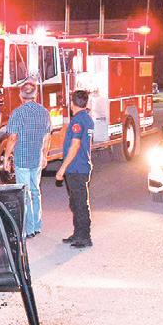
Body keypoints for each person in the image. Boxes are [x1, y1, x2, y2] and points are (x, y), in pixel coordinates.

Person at [6, 81, 51, 238]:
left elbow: (12, 138)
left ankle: (29, 228)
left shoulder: (17, 113)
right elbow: (47, 137)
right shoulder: (44, 112)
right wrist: (44, 155)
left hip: (22, 159)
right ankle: (37, 225)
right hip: (36, 157)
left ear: (20, 95)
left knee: (25, 193)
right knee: (35, 191)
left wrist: (6, 157)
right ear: (36, 94)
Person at [55, 90, 95, 248]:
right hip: (81, 166)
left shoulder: (77, 121)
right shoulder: (87, 118)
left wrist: (62, 168)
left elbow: (75, 145)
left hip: (76, 168)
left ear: (72, 103)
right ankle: (78, 233)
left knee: (80, 204)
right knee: (75, 202)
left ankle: (84, 237)